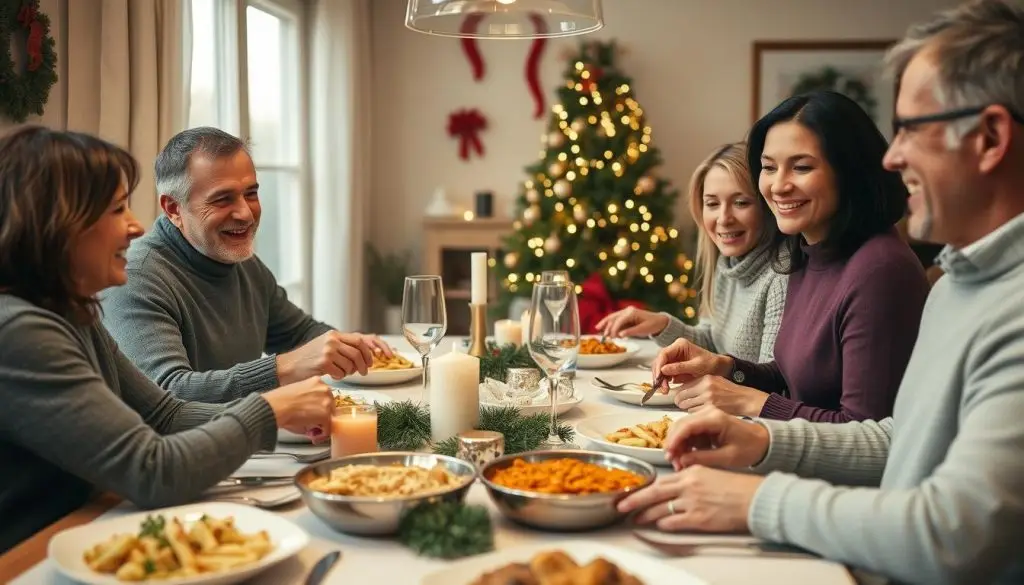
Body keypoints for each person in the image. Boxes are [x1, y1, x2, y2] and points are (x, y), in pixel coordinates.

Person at [619, 1, 1024, 583]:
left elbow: (953, 533)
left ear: (989, 137)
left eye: (913, 128)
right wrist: (754, 430)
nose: (894, 155)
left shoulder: (951, 289)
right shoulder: (956, 284)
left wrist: (754, 498)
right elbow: (892, 439)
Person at [0, 126, 335, 554]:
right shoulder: (21, 332)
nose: (135, 227)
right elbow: (152, 470)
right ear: (58, 226)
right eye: (116, 209)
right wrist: (268, 410)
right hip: (33, 557)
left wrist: (278, 412)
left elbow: (164, 414)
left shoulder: (74, 312)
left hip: (90, 527)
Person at [650, 90, 930, 422]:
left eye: (801, 167)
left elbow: (867, 434)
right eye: (768, 168)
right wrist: (726, 367)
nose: (778, 186)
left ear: (849, 172)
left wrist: (750, 402)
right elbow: (796, 380)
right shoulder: (805, 252)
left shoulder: (880, 269)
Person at [100, 127, 391, 404]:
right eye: (223, 199)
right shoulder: (135, 278)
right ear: (174, 208)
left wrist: (347, 346)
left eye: (251, 193)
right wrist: (282, 368)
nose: (245, 213)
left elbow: (298, 334)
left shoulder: (241, 261)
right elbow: (168, 393)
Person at [596, 142, 787, 363]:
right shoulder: (728, 261)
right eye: (712, 203)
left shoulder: (781, 277)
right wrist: (662, 324)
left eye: (741, 202)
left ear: (767, 205)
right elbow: (711, 344)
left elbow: (772, 382)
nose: (724, 218)